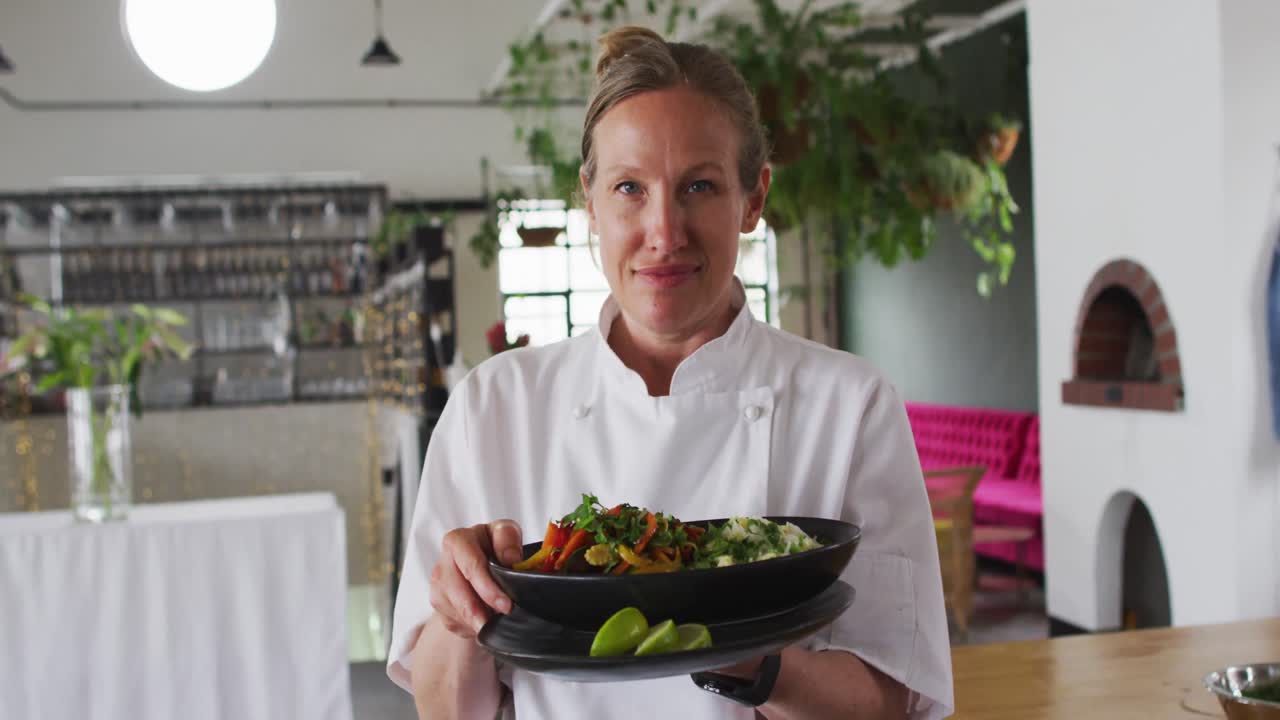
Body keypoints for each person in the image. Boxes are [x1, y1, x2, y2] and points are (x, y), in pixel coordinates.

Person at [387, 25, 953, 720]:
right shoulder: (493, 407)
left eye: (699, 186)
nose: (665, 231)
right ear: (590, 202)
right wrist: (459, 612)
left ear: (753, 199)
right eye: (630, 188)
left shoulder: (850, 406)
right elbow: (445, 712)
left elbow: (890, 699)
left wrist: (752, 661)